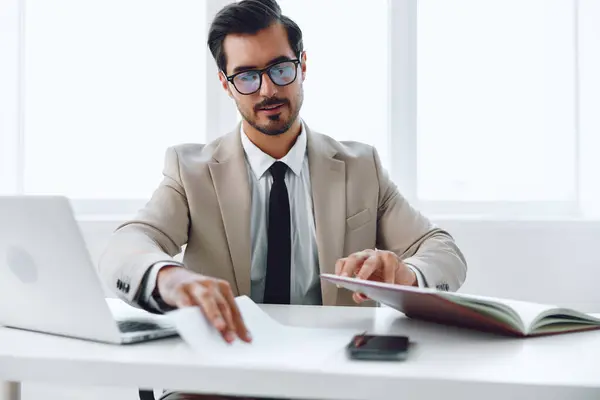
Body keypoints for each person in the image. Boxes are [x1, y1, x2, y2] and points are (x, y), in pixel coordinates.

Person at [99, 0, 467, 398]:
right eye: (246, 77)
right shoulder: (191, 171)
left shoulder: (362, 167)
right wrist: (170, 278)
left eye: (280, 69)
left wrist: (405, 275)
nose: (268, 89)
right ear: (225, 84)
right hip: (219, 380)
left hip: (333, 381)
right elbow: (127, 245)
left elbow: (444, 252)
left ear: (302, 65)